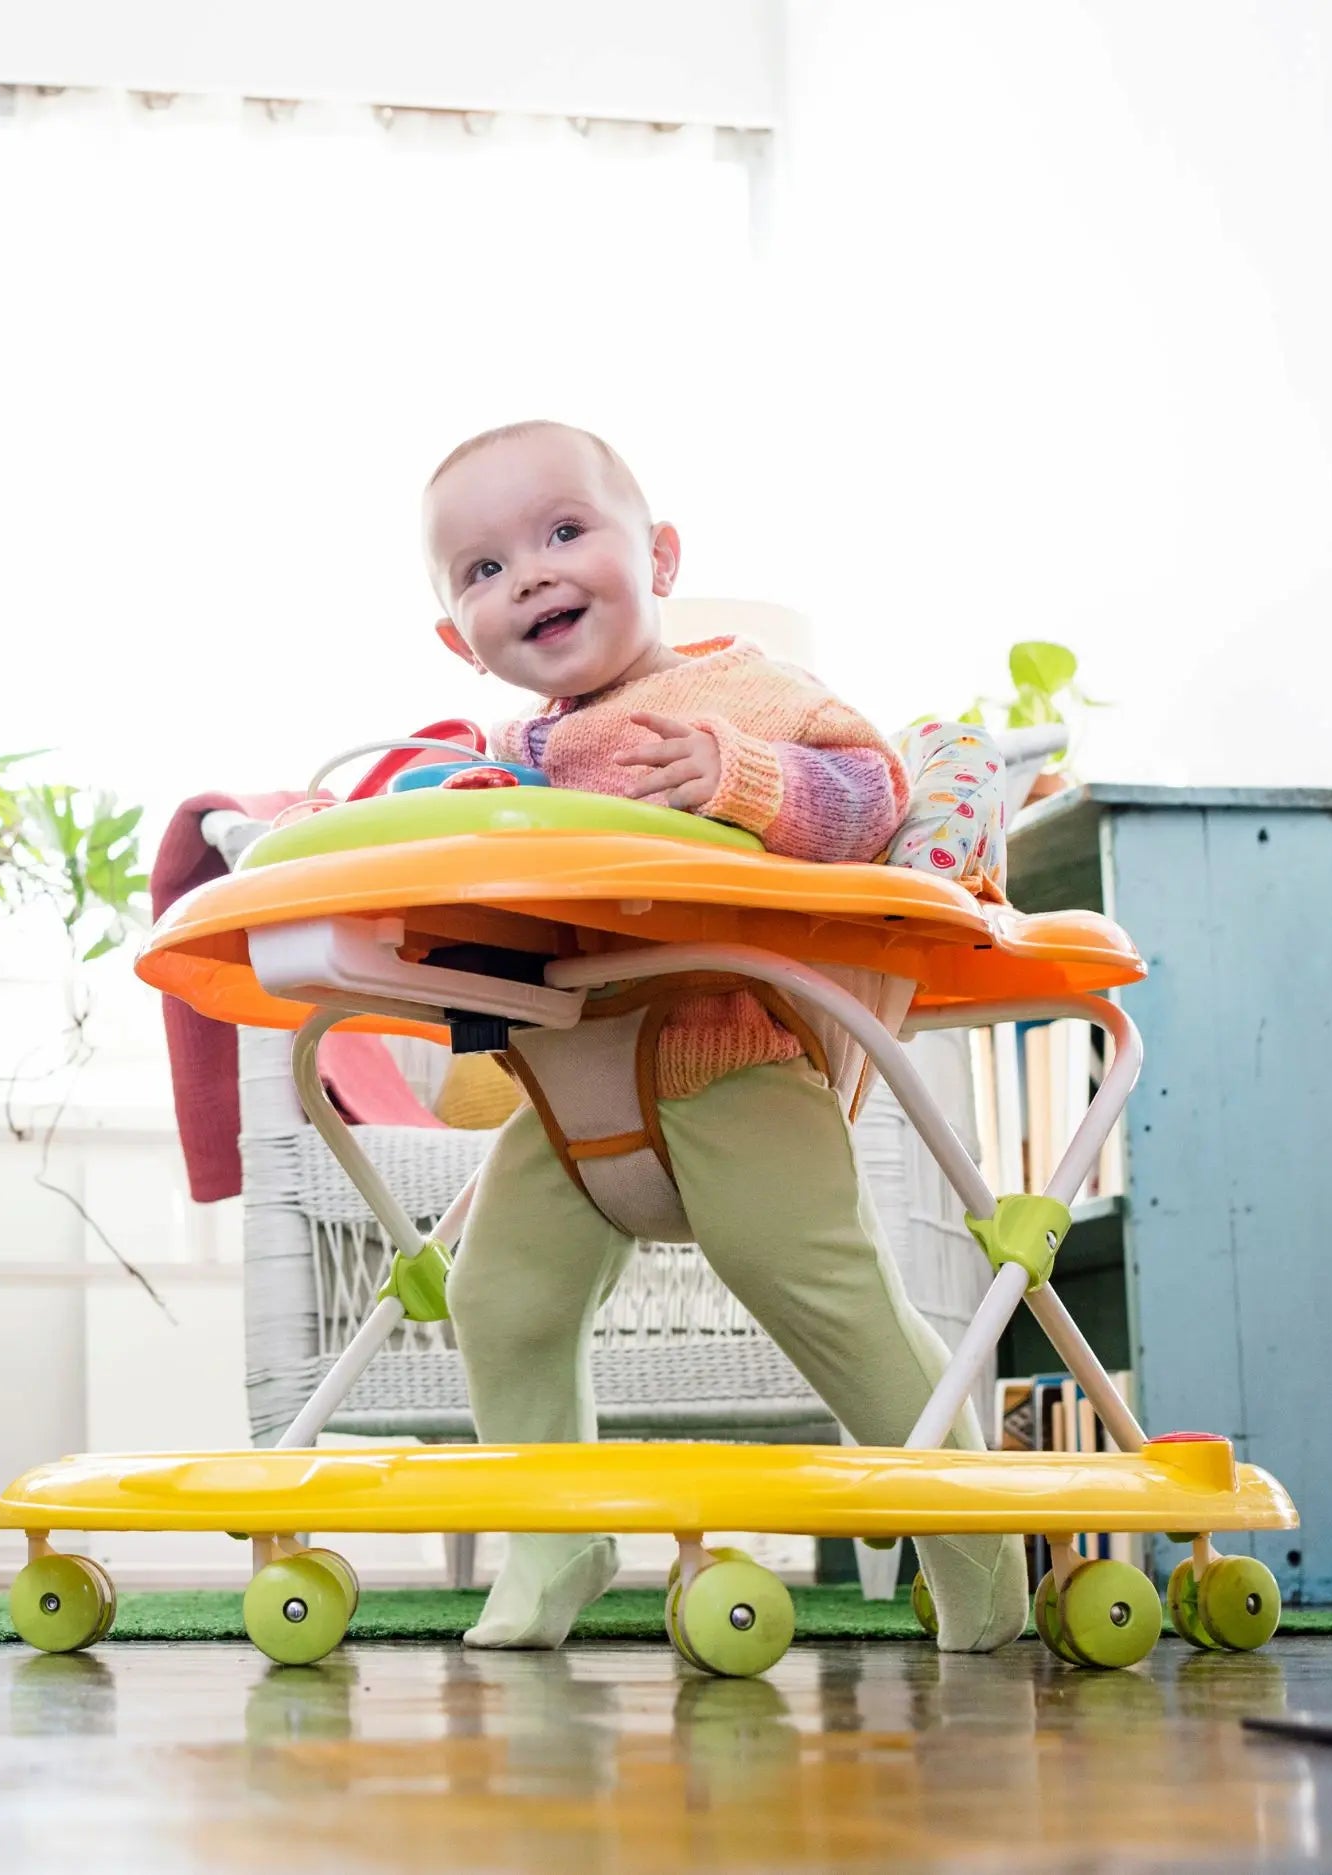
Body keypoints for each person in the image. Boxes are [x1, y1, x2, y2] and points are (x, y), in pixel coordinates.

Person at [421, 419, 1025, 1652]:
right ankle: (556, 1547)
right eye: (482, 570)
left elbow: (871, 801)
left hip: (729, 1060)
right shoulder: (498, 762)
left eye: (563, 532)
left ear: (661, 556)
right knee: (501, 1297)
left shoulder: (741, 691)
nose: (528, 574)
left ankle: (979, 1560)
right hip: (568, 1085)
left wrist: (743, 778)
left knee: (829, 1297)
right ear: (458, 640)